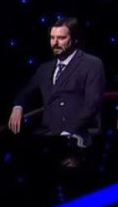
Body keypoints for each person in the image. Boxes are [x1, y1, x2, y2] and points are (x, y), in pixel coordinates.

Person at [7, 16, 106, 164]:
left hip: (79, 133)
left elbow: (92, 104)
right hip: (49, 133)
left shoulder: (91, 64)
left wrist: (68, 132)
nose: (55, 43)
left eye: (61, 38)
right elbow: (25, 92)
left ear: (74, 39)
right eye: (52, 38)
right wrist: (17, 107)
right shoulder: (45, 68)